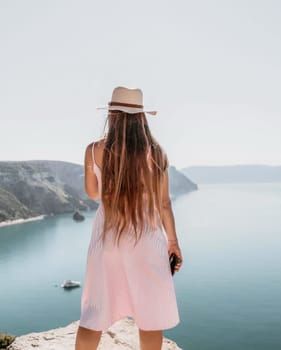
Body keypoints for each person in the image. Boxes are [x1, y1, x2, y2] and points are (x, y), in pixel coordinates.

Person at [75, 87, 183, 350]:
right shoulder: (156, 152)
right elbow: (164, 204)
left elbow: (92, 193)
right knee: (151, 315)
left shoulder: (93, 150)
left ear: (112, 115)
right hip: (146, 241)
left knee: (94, 313)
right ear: (141, 117)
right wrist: (173, 243)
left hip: (108, 239)